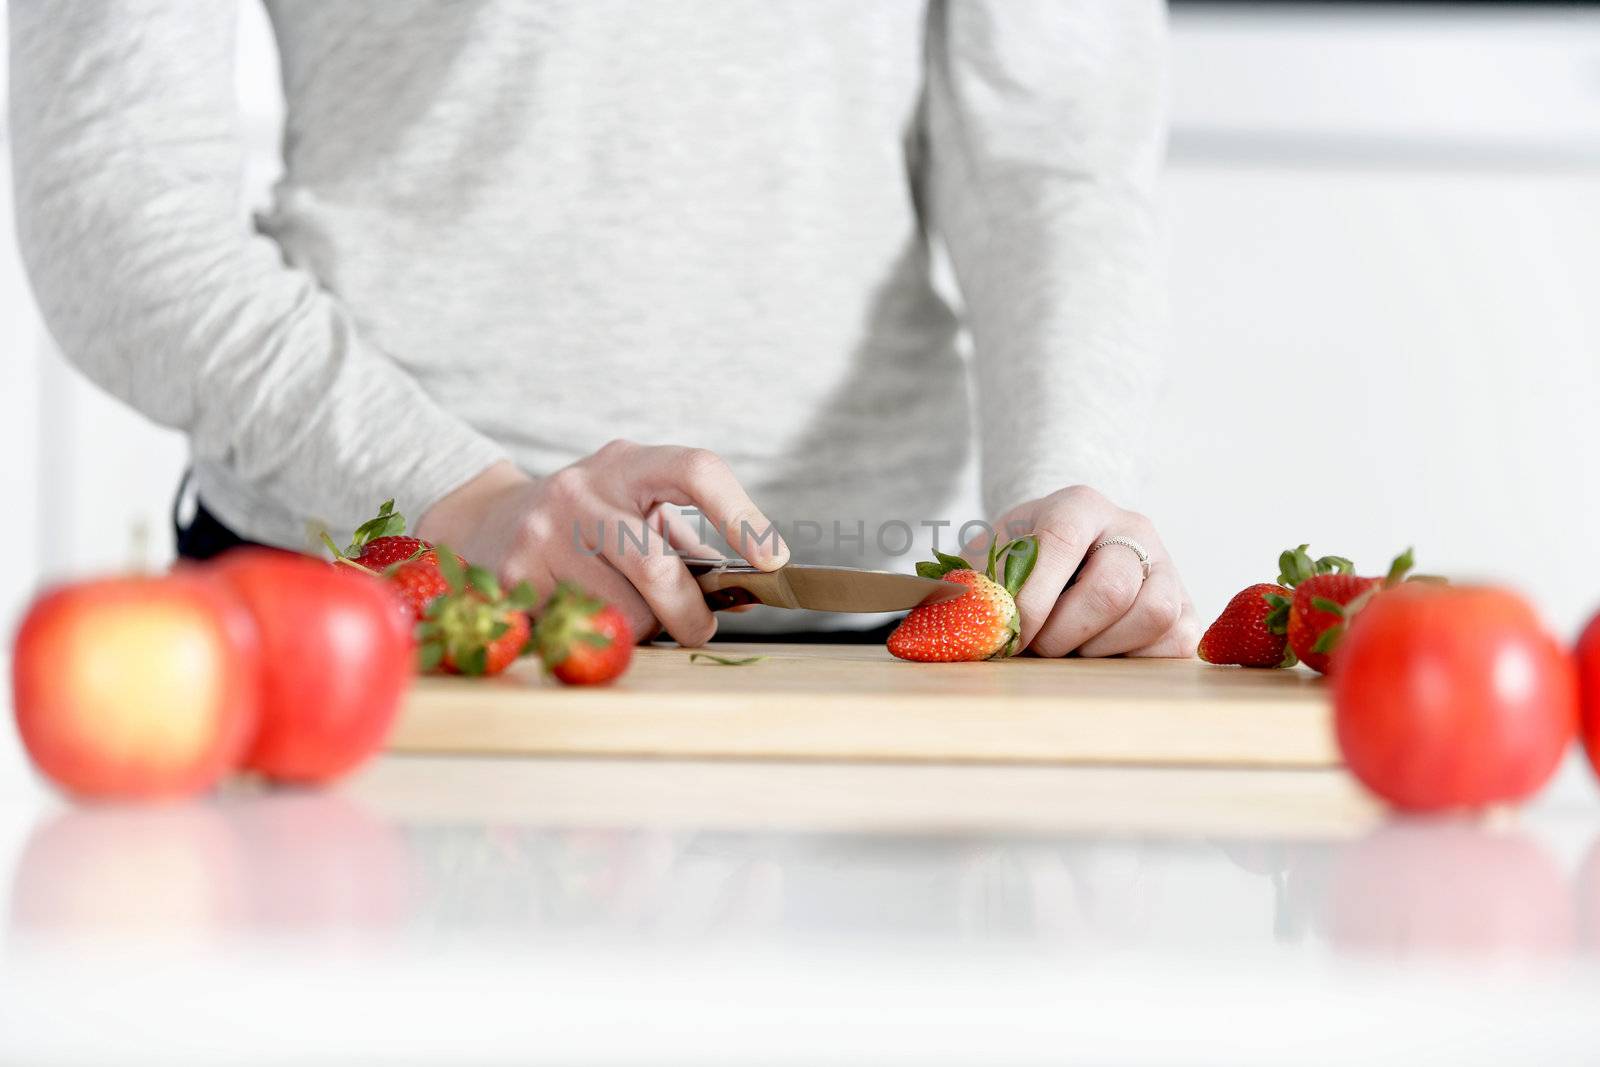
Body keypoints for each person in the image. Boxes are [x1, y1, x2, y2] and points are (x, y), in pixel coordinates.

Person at [10, 0, 1198, 658]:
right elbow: (114, 201)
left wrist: (1066, 483)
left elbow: (1055, 159)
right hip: (372, 622)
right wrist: (464, 500)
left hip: (883, 624)